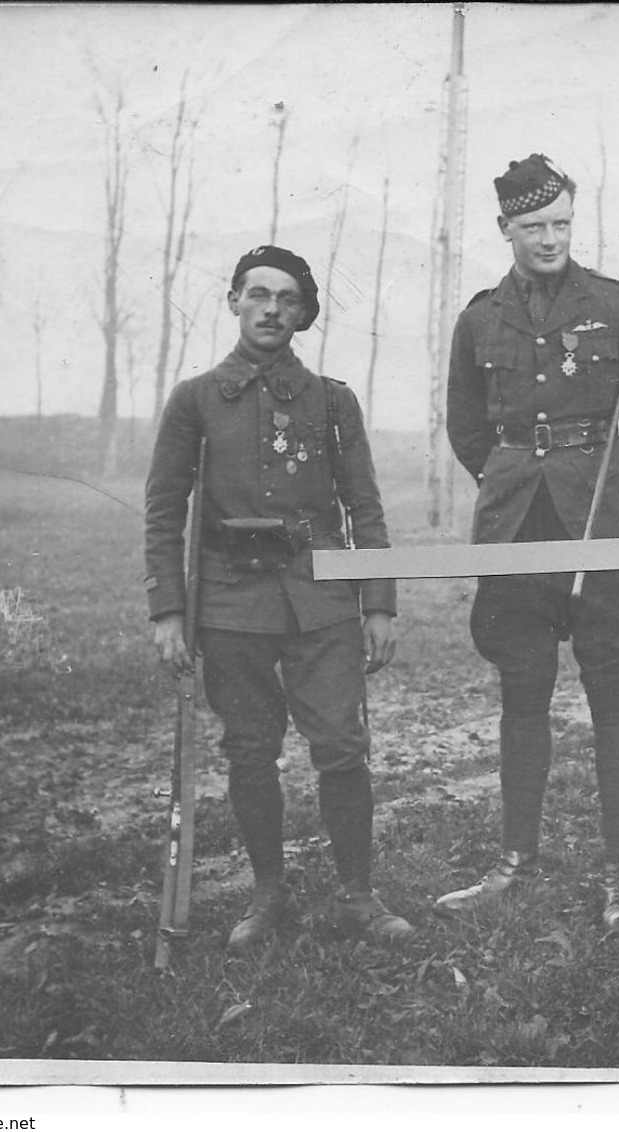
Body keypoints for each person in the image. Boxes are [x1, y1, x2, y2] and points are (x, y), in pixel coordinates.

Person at [144, 245, 415, 952]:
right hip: (230, 607)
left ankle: (358, 894)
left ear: (304, 313)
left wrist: (378, 602)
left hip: (322, 602)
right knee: (250, 751)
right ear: (233, 301)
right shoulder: (196, 400)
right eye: (257, 294)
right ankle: (269, 894)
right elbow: (164, 511)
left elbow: (365, 506)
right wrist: (169, 609)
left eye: (287, 298)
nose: (270, 309)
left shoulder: (332, 400)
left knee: (341, 747)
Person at [441, 154, 619, 929]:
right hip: (517, 525)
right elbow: (468, 427)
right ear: (504, 227)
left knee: (612, 690)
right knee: (522, 690)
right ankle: (515, 859)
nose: (549, 239)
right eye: (534, 226)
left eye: (561, 224)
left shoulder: (615, 305)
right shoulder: (480, 317)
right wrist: (511, 482)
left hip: (604, 522)